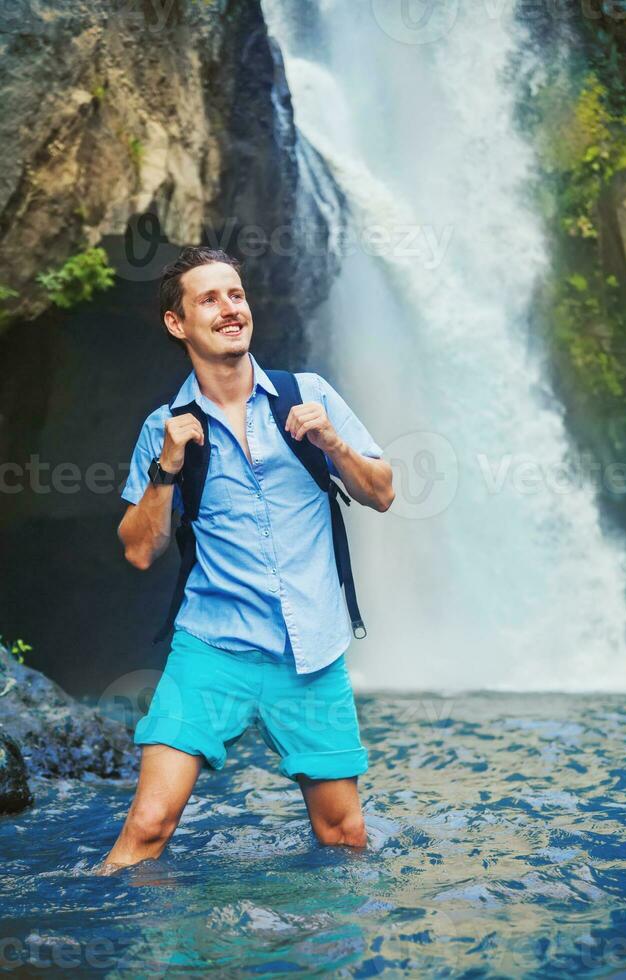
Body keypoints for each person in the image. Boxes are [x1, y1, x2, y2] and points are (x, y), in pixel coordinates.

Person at [97, 246, 394, 873]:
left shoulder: (307, 394)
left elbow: (383, 493)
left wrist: (332, 441)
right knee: (148, 826)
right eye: (209, 299)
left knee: (342, 834)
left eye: (236, 295)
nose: (230, 309)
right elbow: (139, 550)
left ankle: (332, 961)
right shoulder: (164, 427)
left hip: (310, 653)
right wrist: (167, 469)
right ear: (178, 324)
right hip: (212, 651)